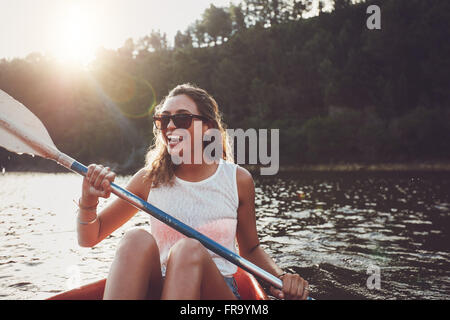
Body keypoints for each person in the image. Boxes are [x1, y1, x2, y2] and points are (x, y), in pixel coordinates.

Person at [76, 83, 310, 300]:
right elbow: (90, 238)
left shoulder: (237, 180)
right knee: (135, 238)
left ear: (207, 127)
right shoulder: (149, 179)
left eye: (181, 118)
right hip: (162, 289)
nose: (169, 126)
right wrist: (88, 201)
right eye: (164, 119)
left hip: (218, 291)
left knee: (189, 249)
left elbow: (250, 249)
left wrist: (281, 277)